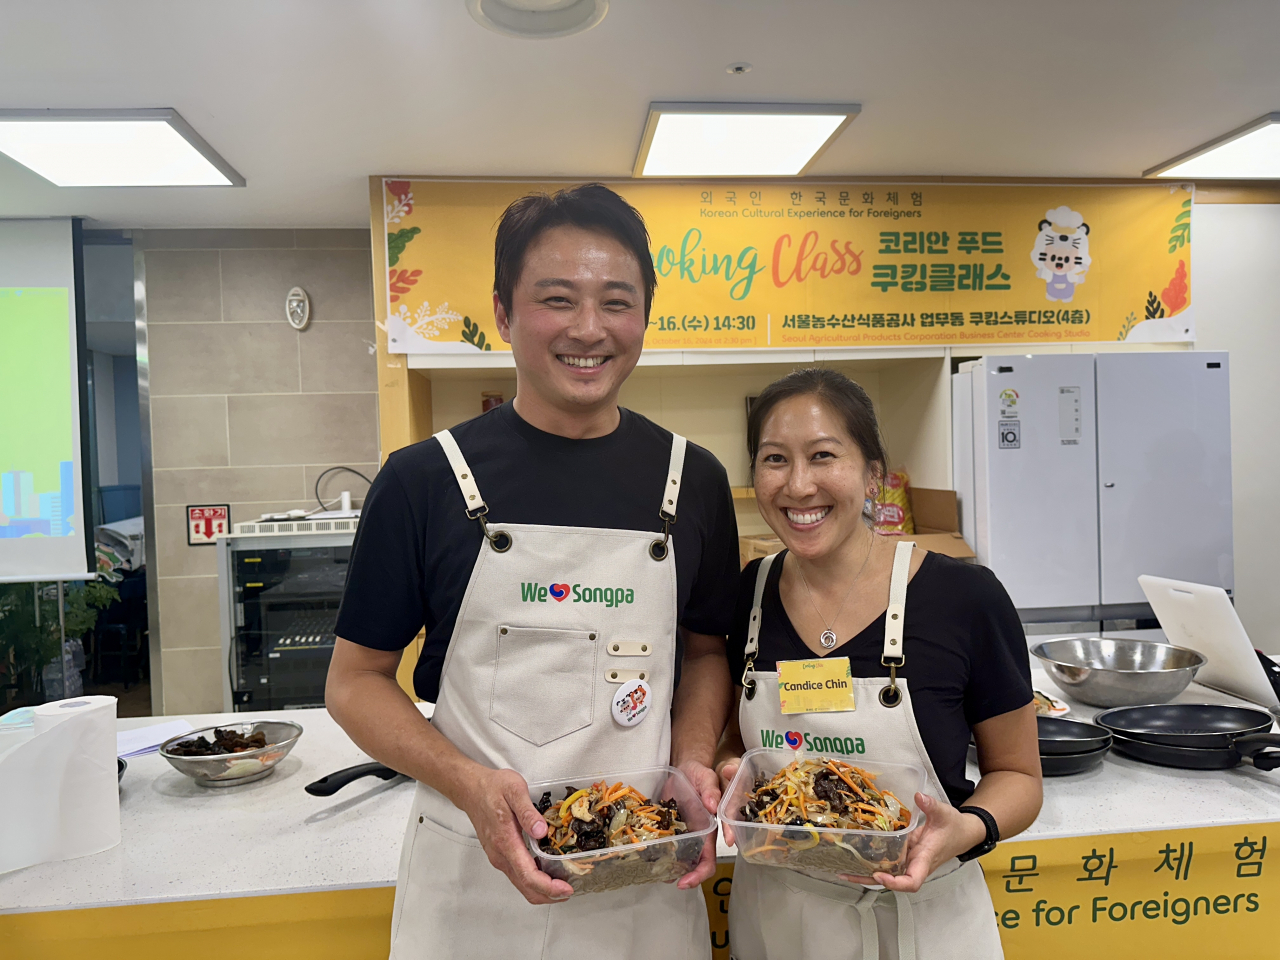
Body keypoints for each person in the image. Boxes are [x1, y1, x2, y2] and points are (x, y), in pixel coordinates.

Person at [326, 184, 740, 960]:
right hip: (472, 881)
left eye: (617, 301)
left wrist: (690, 761)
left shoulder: (696, 479)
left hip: (643, 873)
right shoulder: (425, 480)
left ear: (645, 314)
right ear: (505, 313)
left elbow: (707, 653)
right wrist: (470, 785)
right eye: (558, 299)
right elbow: (353, 683)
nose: (589, 329)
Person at [715, 368, 1042, 960]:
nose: (798, 485)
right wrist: (730, 773)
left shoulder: (963, 599)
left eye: (822, 456)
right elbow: (728, 743)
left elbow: (1019, 777)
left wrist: (965, 830)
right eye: (774, 459)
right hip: (776, 919)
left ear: (872, 474)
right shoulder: (750, 593)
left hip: (921, 923)